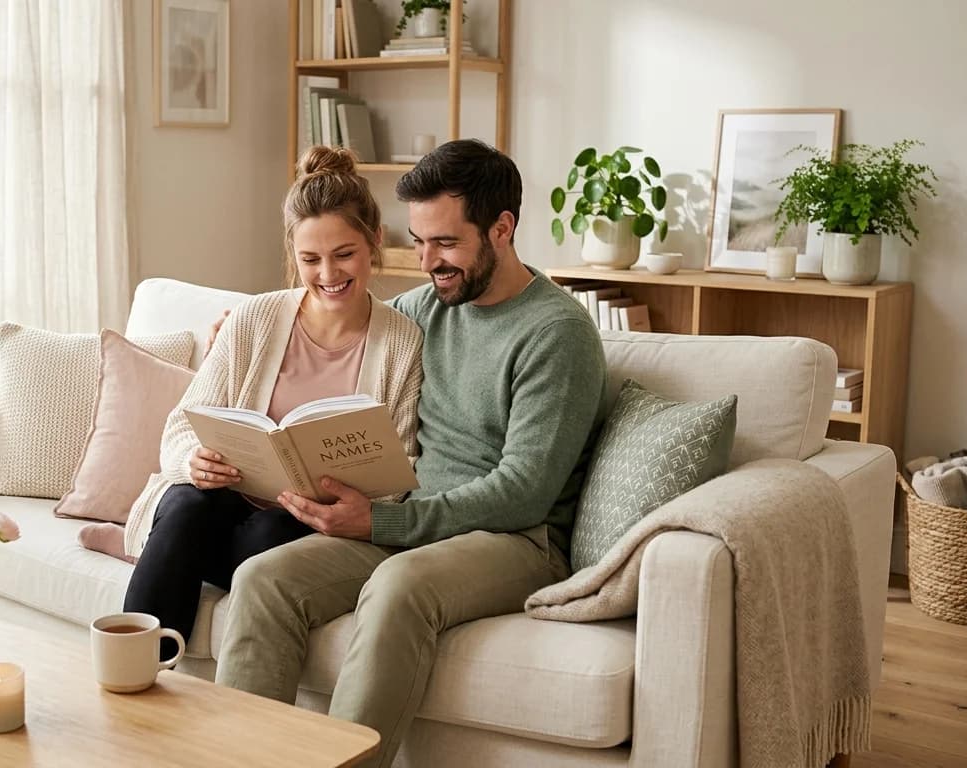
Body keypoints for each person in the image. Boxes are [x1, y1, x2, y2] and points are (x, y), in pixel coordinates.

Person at [213, 139, 608, 768]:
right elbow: (337, 325)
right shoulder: (427, 307)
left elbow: (525, 491)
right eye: (419, 241)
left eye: (446, 243)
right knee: (263, 580)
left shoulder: (557, 335)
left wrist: (384, 521)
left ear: (502, 229)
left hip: (516, 539)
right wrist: (246, 327)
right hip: (415, 519)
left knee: (399, 586)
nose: (428, 262)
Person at [119, 146, 424, 661]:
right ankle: (132, 671)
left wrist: (358, 501)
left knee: (272, 528)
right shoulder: (252, 319)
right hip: (217, 503)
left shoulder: (402, 342)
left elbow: (404, 464)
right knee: (189, 503)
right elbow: (180, 427)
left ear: (375, 242)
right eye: (310, 259)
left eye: (344, 254)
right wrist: (194, 458)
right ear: (293, 255)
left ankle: (163, 559)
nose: (328, 273)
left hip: (301, 522)